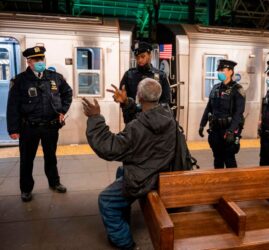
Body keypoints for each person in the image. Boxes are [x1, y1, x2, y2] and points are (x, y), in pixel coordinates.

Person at [83, 78, 176, 250]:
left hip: (146, 178)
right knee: (121, 171)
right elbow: (146, 115)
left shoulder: (137, 128)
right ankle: (124, 215)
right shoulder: (167, 115)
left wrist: (95, 118)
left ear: (139, 96)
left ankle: (124, 242)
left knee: (106, 200)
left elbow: (109, 148)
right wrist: (126, 103)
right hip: (161, 169)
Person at [6, 46, 72, 202]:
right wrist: (13, 129)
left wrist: (62, 110)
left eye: (41, 59)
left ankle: (54, 183)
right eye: (36, 60)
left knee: (51, 157)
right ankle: (26, 189)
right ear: (29, 62)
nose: (40, 62)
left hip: (51, 126)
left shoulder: (55, 77)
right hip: (29, 127)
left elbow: (67, 93)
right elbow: (12, 106)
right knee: (27, 159)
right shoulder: (20, 81)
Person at [199, 59, 245, 168]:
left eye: (222, 70)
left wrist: (231, 131)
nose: (219, 72)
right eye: (219, 70)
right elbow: (208, 108)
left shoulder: (237, 89)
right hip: (215, 130)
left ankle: (231, 183)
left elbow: (238, 113)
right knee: (217, 158)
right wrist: (202, 124)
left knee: (229, 158)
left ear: (230, 71)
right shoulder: (215, 88)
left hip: (228, 130)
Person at [119, 41, 171, 119]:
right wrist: (124, 101)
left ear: (150, 55)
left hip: (154, 121)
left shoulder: (161, 76)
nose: (139, 60)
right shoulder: (129, 75)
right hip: (133, 121)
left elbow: (165, 101)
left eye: (143, 56)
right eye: (137, 57)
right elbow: (124, 102)